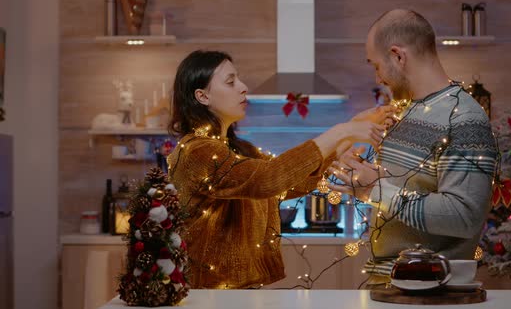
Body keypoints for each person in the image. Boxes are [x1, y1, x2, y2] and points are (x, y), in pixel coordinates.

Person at [166, 50, 393, 289]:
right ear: (202, 96)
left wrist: (353, 127)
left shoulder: (239, 150)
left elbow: (292, 181)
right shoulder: (197, 152)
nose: (243, 87)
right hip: (206, 293)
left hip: (236, 292)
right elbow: (268, 179)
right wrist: (342, 131)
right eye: (231, 82)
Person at [329, 9, 498, 286]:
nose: (377, 78)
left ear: (398, 56)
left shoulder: (464, 117)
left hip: (430, 291)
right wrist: (363, 179)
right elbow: (403, 189)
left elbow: (463, 215)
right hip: (390, 287)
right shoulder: (405, 113)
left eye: (376, 65)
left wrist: (377, 190)